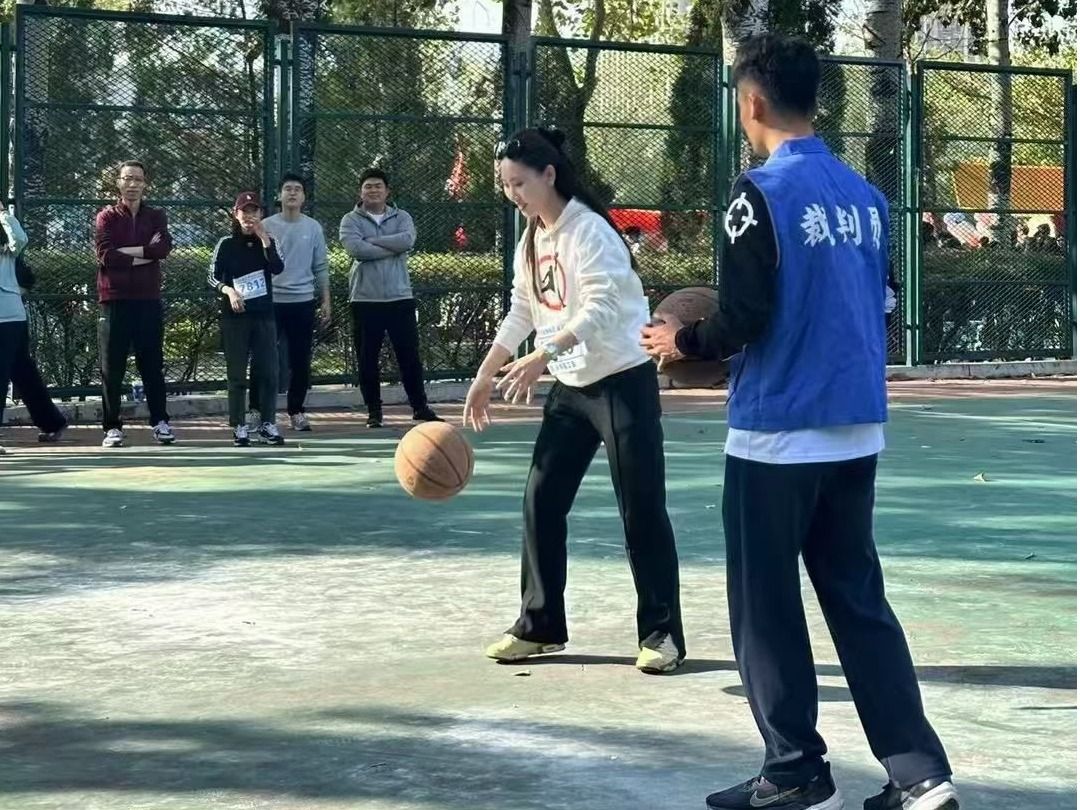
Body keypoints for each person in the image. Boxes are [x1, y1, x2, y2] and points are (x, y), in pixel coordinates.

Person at [641, 35, 958, 810]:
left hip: (778, 430)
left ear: (752, 101)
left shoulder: (757, 193)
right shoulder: (866, 197)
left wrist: (683, 341)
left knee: (765, 605)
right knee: (858, 599)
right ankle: (920, 774)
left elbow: (744, 317)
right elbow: (884, 301)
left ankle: (793, 771)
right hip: (856, 424)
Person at [464, 127, 687, 675]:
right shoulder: (531, 238)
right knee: (541, 500)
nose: (512, 194)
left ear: (549, 174)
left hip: (621, 381)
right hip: (571, 386)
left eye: (519, 183)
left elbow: (601, 308)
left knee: (641, 508)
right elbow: (523, 309)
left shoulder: (589, 230)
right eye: (505, 185)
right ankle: (540, 625)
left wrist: (543, 354)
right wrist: (486, 372)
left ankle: (662, 635)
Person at [339, 168, 440, 428]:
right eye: (368, 186)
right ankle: (374, 412)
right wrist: (390, 247)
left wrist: (372, 240)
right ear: (360, 192)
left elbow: (407, 241)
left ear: (387, 191)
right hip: (365, 300)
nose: (373, 190)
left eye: (378, 186)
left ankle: (419, 407)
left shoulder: (402, 216)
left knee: (409, 356)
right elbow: (356, 249)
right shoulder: (350, 220)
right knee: (367, 359)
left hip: (399, 298)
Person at [93, 160, 175, 448]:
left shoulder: (156, 216)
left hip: (148, 300)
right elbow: (106, 255)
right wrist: (145, 254)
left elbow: (162, 249)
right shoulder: (106, 217)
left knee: (152, 365)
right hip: (114, 300)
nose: (132, 184)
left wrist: (129, 253)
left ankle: (160, 423)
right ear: (118, 183)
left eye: (138, 179)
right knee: (112, 367)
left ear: (145, 184)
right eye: (127, 178)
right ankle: (112, 428)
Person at [247, 173, 331, 432]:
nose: (292, 193)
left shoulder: (313, 228)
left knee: (300, 360)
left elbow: (320, 266)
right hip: (270, 302)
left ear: (304, 196)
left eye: (297, 189)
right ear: (279, 195)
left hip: (302, 302)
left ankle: (296, 411)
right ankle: (256, 410)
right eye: (287, 189)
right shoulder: (266, 225)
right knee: (262, 357)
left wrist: (326, 300)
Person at [208, 192, 286, 447]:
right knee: (237, 374)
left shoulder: (270, 240)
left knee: (269, 372)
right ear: (236, 214)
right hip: (236, 318)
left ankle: (267, 423)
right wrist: (229, 291)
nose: (249, 216)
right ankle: (239, 425)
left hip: (264, 316)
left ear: (261, 214)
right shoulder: (226, 243)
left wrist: (265, 241)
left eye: (255, 211)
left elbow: (277, 268)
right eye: (245, 211)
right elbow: (212, 276)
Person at [0, 206, 67, 453]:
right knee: (23, 372)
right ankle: (52, 422)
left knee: (18, 371)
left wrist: (3, 215)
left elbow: (20, 238)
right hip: (11, 318)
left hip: (9, 318)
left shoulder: (6, 248)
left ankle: (51, 422)